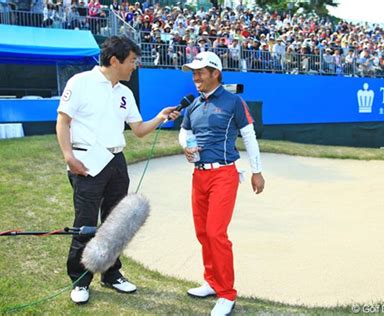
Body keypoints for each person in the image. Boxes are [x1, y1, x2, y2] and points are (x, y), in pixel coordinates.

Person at [56, 35, 180, 305]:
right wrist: (69, 156)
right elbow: (63, 122)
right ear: (115, 60)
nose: (135, 66)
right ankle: (80, 280)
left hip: (116, 162)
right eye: (133, 61)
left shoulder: (125, 93)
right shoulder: (80, 83)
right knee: (86, 225)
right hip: (87, 164)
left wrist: (160, 117)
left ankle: (111, 274)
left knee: (116, 224)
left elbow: (138, 131)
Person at [179, 51, 265, 316]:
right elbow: (185, 132)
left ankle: (227, 293)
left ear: (215, 73)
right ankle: (212, 282)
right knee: (203, 233)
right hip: (199, 175)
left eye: (200, 72)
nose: (195, 77)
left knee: (216, 233)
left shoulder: (233, 102)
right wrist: (187, 147)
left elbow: (249, 136)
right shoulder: (193, 105)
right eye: (193, 72)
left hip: (224, 175)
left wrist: (256, 171)